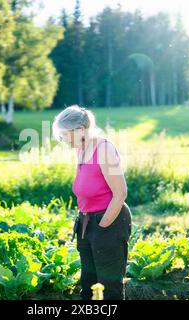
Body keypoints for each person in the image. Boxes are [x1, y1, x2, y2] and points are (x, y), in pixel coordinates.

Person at [52, 105, 132, 300]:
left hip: (108, 221)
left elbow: (120, 193)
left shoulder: (104, 149)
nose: (63, 141)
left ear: (80, 130)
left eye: (65, 135)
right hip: (86, 223)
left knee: (109, 288)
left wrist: (103, 225)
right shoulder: (80, 149)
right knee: (88, 286)